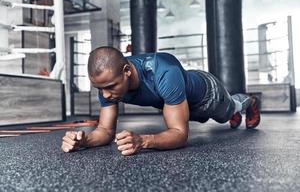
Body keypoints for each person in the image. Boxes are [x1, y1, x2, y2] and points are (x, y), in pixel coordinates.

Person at [61, 46, 260, 156]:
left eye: (110, 87)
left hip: (208, 95)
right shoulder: (109, 83)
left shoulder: (163, 71)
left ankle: (249, 101)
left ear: (127, 72)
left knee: (228, 111)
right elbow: (105, 131)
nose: (105, 95)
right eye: (99, 88)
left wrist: (142, 141)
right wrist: (84, 141)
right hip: (181, 100)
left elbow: (180, 135)